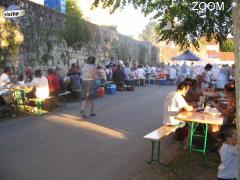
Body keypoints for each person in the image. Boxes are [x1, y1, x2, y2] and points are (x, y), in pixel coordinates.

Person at [163, 82, 193, 148]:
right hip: (173, 122)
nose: (187, 91)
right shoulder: (178, 96)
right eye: (187, 89)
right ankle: (187, 143)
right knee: (190, 124)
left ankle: (179, 137)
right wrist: (193, 107)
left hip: (166, 120)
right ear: (184, 88)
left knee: (184, 120)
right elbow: (188, 109)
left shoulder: (171, 93)